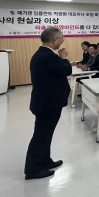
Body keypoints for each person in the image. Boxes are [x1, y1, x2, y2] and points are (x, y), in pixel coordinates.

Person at [24, 27, 71, 180]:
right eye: (62, 37)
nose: (63, 40)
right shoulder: (49, 57)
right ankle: (33, 169)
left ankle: (45, 161)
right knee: (41, 136)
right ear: (54, 39)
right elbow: (66, 70)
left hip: (46, 102)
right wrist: (64, 58)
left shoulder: (42, 54)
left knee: (45, 134)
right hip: (48, 103)